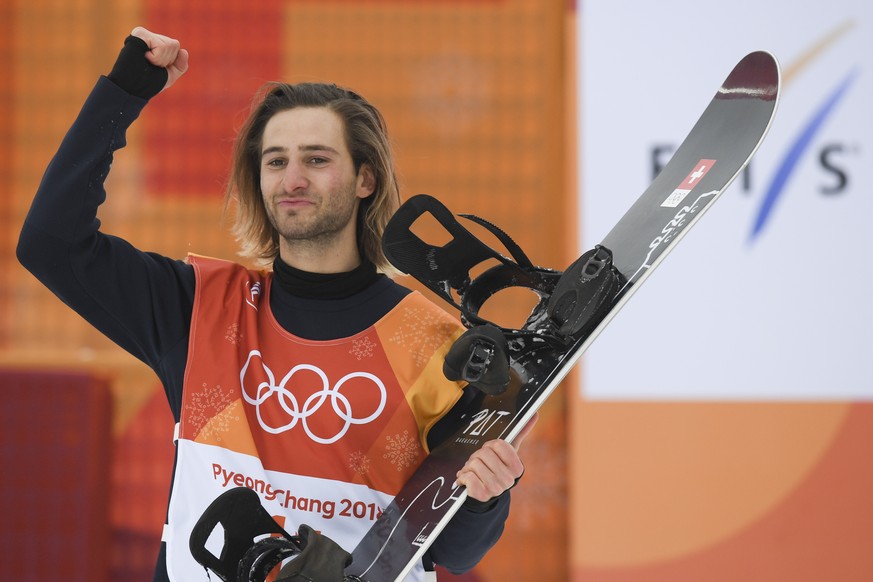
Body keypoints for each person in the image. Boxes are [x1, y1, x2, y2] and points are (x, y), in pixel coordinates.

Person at [17, 27, 535, 581]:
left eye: (316, 159)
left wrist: (485, 496)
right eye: (275, 161)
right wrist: (124, 92)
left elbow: (453, 550)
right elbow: (50, 242)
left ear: (365, 178)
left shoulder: (438, 343)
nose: (292, 179)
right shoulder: (199, 310)